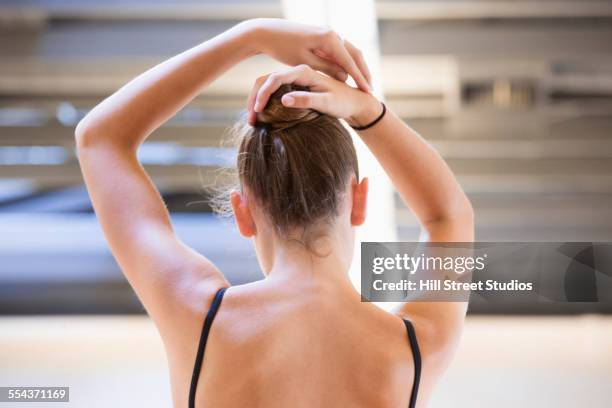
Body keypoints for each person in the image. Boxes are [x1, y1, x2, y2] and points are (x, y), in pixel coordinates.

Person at [75, 18, 473, 408]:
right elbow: (448, 215)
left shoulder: (200, 315)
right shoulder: (414, 349)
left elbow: (101, 139)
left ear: (242, 211)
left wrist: (250, 37)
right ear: (359, 200)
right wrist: (368, 111)